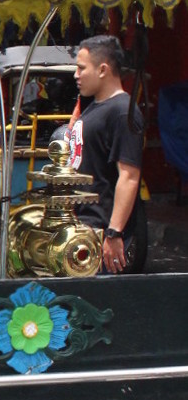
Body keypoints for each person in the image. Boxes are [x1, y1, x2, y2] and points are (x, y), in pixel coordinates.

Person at [69, 34, 144, 274]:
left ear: (102, 70)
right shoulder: (93, 106)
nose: (76, 75)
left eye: (81, 68)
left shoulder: (122, 112)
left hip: (101, 235)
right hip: (81, 229)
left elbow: (129, 176)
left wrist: (114, 233)